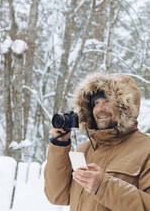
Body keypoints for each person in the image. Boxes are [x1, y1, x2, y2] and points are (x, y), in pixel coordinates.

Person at [44, 72, 150, 211]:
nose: (100, 109)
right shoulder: (84, 150)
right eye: (96, 103)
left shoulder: (146, 149)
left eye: (108, 101)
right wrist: (60, 145)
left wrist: (104, 187)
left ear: (125, 107)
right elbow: (57, 196)